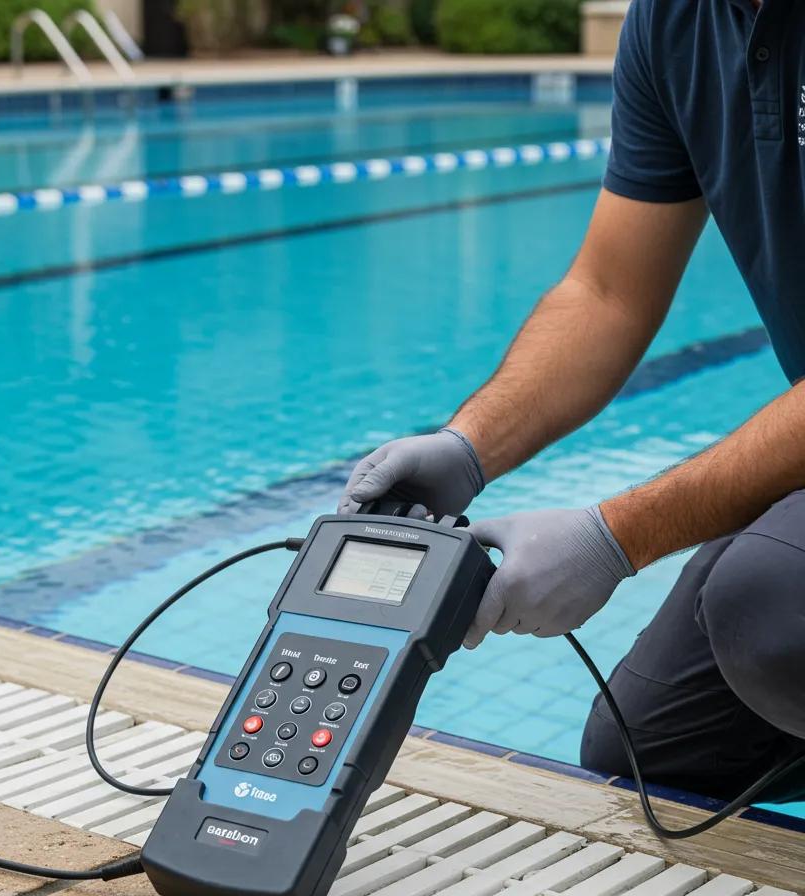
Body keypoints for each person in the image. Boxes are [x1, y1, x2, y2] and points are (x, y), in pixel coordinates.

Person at [339, 0, 805, 803]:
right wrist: (467, 446)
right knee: (655, 746)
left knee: (774, 617)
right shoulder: (675, 21)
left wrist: (614, 537)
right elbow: (608, 292)